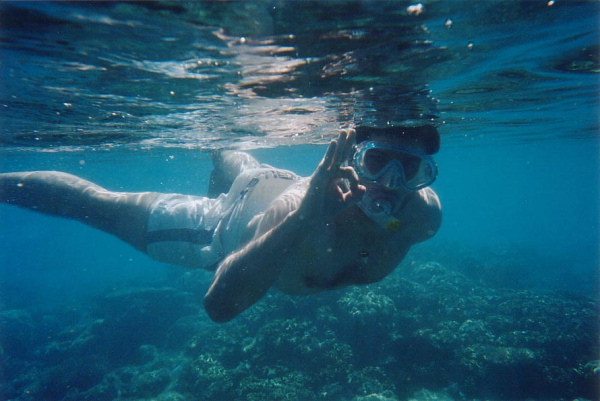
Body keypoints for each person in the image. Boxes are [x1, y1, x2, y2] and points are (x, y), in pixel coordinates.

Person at [0, 127, 441, 322]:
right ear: (350, 160)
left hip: (273, 182)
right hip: (226, 227)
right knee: (99, 206)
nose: (390, 184)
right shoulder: (297, 212)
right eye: (376, 162)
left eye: (409, 169)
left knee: (251, 171)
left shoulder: (422, 218)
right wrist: (306, 217)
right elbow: (219, 307)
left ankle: (222, 149)